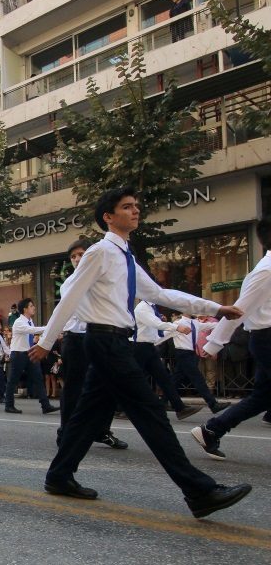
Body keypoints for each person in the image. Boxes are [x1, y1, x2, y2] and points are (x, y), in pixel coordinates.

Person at [29, 186, 249, 518]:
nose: (135, 211)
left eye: (136, 206)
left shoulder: (125, 257)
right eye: (127, 206)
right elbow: (69, 295)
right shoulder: (100, 252)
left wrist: (214, 308)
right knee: (150, 412)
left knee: (88, 414)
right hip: (104, 341)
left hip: (115, 342)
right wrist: (47, 341)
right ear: (108, 217)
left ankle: (59, 476)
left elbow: (160, 294)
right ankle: (199, 491)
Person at [191, 217, 271, 460]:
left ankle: (211, 430)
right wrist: (215, 342)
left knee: (262, 398)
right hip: (267, 339)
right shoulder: (266, 271)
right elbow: (238, 310)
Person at [57, 239, 127, 450]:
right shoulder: (70, 283)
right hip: (76, 340)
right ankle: (66, 433)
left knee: (109, 386)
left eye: (81, 254)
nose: (77, 259)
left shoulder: (104, 277)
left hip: (100, 339)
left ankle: (101, 430)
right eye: (73, 256)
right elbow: (70, 312)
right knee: (73, 389)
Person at [133, 299, 202, 419]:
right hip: (139, 347)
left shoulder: (151, 308)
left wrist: (167, 325)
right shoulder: (142, 308)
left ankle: (180, 408)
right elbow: (156, 324)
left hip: (149, 346)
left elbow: (155, 328)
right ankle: (119, 408)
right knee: (133, 379)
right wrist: (176, 327)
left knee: (164, 378)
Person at [5, 298, 59, 415]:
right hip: (18, 354)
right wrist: (50, 327)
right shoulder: (19, 322)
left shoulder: (30, 321)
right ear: (25, 309)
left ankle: (45, 405)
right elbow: (32, 330)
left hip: (29, 353)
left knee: (38, 378)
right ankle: (9, 405)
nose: (34, 307)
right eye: (31, 306)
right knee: (13, 380)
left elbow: (33, 332)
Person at [171, 312, 229, 414]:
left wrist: (228, 319)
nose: (195, 310)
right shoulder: (177, 323)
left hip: (191, 353)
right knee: (198, 379)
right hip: (182, 353)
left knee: (176, 379)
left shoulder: (195, 323)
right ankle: (213, 404)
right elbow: (163, 334)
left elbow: (213, 325)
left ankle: (163, 401)